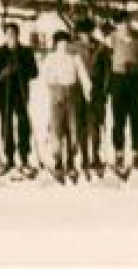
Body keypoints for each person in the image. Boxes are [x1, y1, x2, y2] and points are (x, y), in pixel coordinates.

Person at [108, 13, 138, 175]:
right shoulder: (111, 39)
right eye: (118, 24)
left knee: (137, 118)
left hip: (136, 81)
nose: (122, 27)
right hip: (118, 81)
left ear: (128, 23)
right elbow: (101, 58)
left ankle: (137, 155)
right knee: (119, 119)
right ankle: (119, 155)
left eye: (124, 23)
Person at [40, 30, 93, 183]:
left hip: (72, 96)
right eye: (60, 43)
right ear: (56, 44)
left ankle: (70, 162)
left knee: (73, 130)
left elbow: (83, 76)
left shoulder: (74, 58)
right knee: (57, 130)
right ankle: (58, 162)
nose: (63, 46)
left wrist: (88, 91)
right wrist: (51, 83)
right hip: (56, 96)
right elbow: (43, 76)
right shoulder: (50, 58)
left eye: (66, 43)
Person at [0, 21, 37, 178]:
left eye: (13, 34)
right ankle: (9, 158)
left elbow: (34, 72)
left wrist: (21, 68)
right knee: (6, 124)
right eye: (8, 34)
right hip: (5, 94)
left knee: (24, 124)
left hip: (21, 94)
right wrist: (3, 73)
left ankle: (24, 158)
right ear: (5, 35)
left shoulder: (26, 51)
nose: (11, 36)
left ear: (17, 35)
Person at [76, 20, 112, 176]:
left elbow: (107, 72)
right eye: (82, 33)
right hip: (78, 90)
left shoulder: (101, 48)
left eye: (88, 32)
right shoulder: (73, 49)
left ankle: (95, 156)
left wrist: (104, 92)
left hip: (96, 91)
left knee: (95, 125)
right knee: (81, 124)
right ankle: (84, 157)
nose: (85, 36)